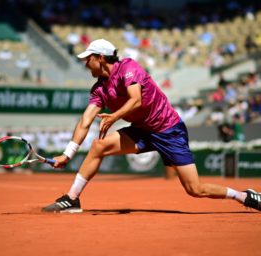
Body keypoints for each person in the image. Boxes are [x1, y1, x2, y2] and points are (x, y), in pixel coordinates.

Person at [42, 39, 261, 213]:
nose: (84, 63)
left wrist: (114, 116)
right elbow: (85, 121)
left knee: (195, 189)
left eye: (87, 58)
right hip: (142, 130)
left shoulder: (128, 67)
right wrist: (67, 154)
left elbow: (135, 99)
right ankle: (71, 199)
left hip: (169, 130)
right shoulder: (99, 89)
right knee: (99, 147)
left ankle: (243, 196)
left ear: (100, 58)